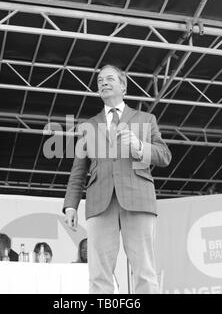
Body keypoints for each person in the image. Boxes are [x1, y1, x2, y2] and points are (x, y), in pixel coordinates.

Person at [63, 64, 172, 294]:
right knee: (98, 274)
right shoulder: (88, 126)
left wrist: (139, 146)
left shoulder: (146, 118)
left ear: (123, 86)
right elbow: (78, 169)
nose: (103, 82)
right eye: (100, 80)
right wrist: (70, 205)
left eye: (109, 78)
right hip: (99, 202)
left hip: (138, 199)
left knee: (144, 271)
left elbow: (164, 156)